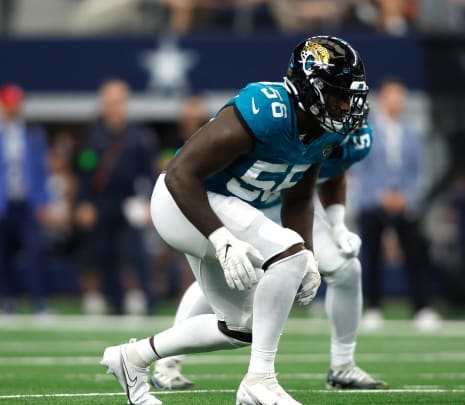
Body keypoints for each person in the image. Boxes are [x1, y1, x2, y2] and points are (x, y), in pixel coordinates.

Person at [101, 35, 370, 405]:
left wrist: (308, 252)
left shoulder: (323, 131)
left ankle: (132, 358)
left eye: (350, 95)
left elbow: (299, 197)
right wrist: (220, 237)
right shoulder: (267, 109)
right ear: (310, 88)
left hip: (221, 208)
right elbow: (179, 172)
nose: (346, 105)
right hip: (182, 202)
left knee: (240, 326)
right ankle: (260, 380)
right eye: (338, 94)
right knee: (286, 253)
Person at [149, 123, 387, 391]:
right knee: (232, 271)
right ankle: (167, 362)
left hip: (297, 210)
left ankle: (343, 366)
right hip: (250, 205)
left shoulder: (357, 137)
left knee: (347, 267)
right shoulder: (286, 119)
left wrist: (337, 223)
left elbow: (333, 174)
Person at [353, 77, 439, 332]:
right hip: (372, 202)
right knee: (371, 257)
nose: (396, 101)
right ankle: (373, 308)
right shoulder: (365, 130)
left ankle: (421, 307)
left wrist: (406, 197)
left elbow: (418, 171)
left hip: (404, 204)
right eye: (392, 95)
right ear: (381, 98)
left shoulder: (412, 132)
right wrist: (379, 195)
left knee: (415, 255)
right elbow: (359, 168)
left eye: (400, 95)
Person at [76, 78, 158, 315]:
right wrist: (84, 202)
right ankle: (116, 303)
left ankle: (147, 299)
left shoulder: (138, 134)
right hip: (102, 201)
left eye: (119, 100)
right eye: (110, 100)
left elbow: (149, 171)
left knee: (136, 252)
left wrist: (149, 202)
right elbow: (85, 171)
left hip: (130, 199)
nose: (115, 105)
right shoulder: (93, 135)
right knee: (104, 252)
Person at [0, 83, 50, 314]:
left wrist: (42, 200)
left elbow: (40, 170)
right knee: (4, 254)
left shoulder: (31, 132)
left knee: (35, 252)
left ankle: (39, 303)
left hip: (27, 202)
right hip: (4, 203)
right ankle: (10, 301)